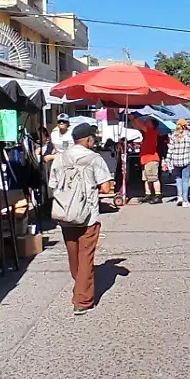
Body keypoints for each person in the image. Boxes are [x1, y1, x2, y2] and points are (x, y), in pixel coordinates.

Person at [48, 123, 113, 316]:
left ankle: (79, 286)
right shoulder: (94, 158)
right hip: (87, 215)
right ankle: (82, 300)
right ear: (87, 139)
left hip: (65, 214)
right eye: (93, 137)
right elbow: (106, 189)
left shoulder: (60, 157)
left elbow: (53, 186)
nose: (94, 140)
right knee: (86, 257)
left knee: (73, 254)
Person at [163, 119, 190, 207]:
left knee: (178, 179)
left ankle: (180, 197)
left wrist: (167, 160)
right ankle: (185, 201)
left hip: (175, 161)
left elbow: (170, 149)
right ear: (185, 126)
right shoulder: (188, 135)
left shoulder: (173, 136)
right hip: (186, 160)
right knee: (185, 180)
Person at [129, 114, 162, 204]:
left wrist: (133, 118)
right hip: (145, 159)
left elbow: (139, 125)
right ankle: (148, 194)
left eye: (148, 121)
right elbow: (137, 126)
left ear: (152, 125)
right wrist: (132, 121)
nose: (146, 121)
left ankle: (158, 195)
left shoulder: (151, 131)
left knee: (153, 178)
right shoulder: (147, 132)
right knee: (146, 179)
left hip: (151, 159)